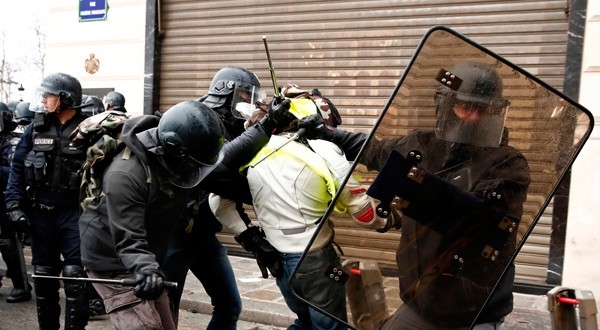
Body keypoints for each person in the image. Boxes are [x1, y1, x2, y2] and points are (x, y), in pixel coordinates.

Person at [299, 61, 531, 329]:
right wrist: (327, 134)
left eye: (482, 109)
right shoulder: (423, 144)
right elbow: (374, 150)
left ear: (495, 111)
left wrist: (404, 185)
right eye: (465, 106)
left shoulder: (509, 163)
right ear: (447, 104)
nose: (473, 117)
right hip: (423, 301)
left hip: (474, 308)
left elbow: (478, 222)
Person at [77, 97, 295, 329]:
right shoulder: (126, 174)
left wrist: (267, 125)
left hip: (149, 253)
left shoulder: (177, 158)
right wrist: (145, 269)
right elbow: (128, 238)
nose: (198, 172)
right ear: (175, 151)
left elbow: (225, 164)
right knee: (145, 327)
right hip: (112, 259)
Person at [211, 84, 394, 330]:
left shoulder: (253, 150)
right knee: (330, 328)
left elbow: (218, 202)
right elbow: (364, 213)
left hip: (277, 258)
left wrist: (251, 239)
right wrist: (393, 219)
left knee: (305, 322)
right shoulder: (324, 149)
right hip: (316, 260)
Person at [161, 66, 267, 328]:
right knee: (164, 313)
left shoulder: (236, 128)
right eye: (244, 94)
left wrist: (249, 235)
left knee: (230, 305)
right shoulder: (196, 120)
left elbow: (227, 194)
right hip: (174, 234)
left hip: (204, 235)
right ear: (225, 91)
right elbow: (219, 179)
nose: (248, 102)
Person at [5, 72, 91, 329]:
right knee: (44, 276)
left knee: (76, 277)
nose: (43, 100)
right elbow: (18, 167)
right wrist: (14, 204)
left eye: (48, 95)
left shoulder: (90, 128)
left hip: (74, 215)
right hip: (41, 213)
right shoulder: (36, 127)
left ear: (64, 99)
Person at [0, 102, 32, 303]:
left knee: (9, 242)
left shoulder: (10, 143)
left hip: (5, 198)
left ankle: (21, 286)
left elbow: (14, 173)